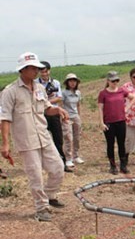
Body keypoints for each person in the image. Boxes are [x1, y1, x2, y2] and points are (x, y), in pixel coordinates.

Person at [0, 52, 68, 222]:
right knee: (35, 176)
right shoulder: (10, 92)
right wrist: (5, 144)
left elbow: (47, 108)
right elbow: (5, 118)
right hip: (26, 141)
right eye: (33, 68)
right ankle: (41, 208)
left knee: (58, 168)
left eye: (38, 68)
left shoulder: (40, 89)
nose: (37, 71)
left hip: (44, 137)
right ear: (23, 69)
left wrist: (57, 110)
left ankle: (50, 195)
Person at [98, 71, 135, 175]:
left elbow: (133, 98)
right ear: (108, 81)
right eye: (113, 80)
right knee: (110, 145)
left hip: (121, 121)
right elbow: (100, 108)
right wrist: (101, 122)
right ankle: (113, 166)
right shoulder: (103, 93)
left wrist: (127, 108)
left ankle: (123, 165)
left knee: (121, 144)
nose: (115, 82)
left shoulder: (122, 91)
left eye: (117, 80)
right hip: (108, 122)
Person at [38, 61, 72, 172]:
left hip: (55, 114)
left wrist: (46, 100)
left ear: (49, 70)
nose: (44, 74)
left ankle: (62, 163)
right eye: (42, 72)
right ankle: (45, 165)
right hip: (41, 114)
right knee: (42, 140)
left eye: (46, 71)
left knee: (58, 139)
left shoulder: (55, 83)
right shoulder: (36, 84)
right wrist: (47, 101)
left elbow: (59, 98)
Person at [61, 73, 84, 166]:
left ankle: (76, 156)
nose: (72, 83)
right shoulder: (64, 93)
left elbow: (78, 104)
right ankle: (68, 158)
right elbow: (61, 105)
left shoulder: (78, 93)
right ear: (67, 82)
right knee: (68, 138)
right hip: (67, 117)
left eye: (74, 81)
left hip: (75, 116)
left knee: (77, 137)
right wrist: (63, 117)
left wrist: (79, 116)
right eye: (70, 81)